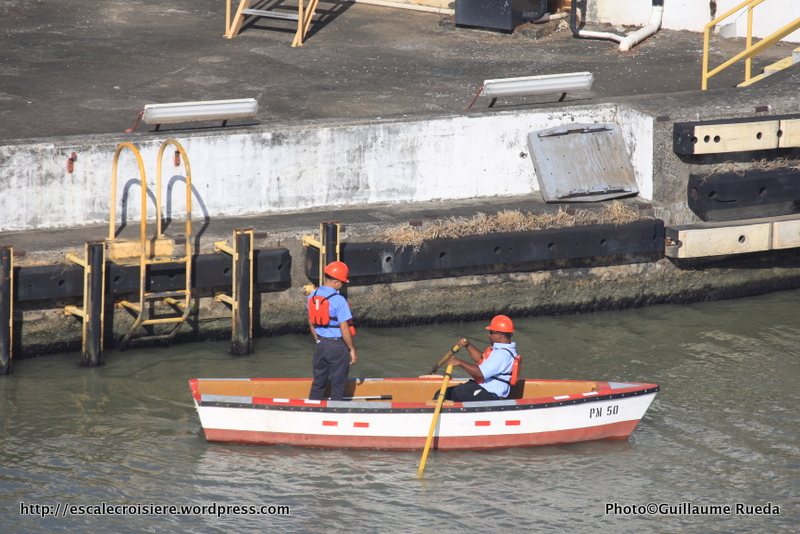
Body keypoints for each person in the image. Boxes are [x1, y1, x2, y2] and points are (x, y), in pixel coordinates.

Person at [307, 261, 358, 400]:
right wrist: (351, 349)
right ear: (336, 281)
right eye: (342, 282)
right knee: (338, 385)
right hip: (337, 347)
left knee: (318, 382)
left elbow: (311, 321)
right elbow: (344, 327)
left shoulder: (312, 296)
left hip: (320, 345)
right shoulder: (339, 300)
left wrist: (318, 339)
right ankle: (336, 415)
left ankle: (312, 410)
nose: (343, 285)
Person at [442, 315, 520, 402]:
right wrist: (468, 345)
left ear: (499, 335)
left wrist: (459, 362)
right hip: (485, 389)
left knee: (442, 394)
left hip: (488, 393)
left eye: (491, 332)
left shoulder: (502, 354)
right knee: (451, 391)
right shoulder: (504, 350)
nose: (488, 335)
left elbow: (480, 373)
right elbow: (482, 360)